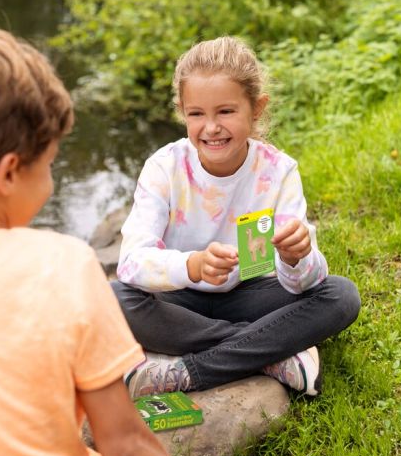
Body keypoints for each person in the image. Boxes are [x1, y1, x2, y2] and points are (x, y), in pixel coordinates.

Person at [0, 28, 186, 456]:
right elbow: (126, 445)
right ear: (10, 171)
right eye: (49, 163)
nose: (50, 181)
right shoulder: (60, 265)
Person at [113, 36, 361, 399]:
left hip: (253, 293)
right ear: (183, 111)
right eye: (196, 114)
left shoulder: (278, 171)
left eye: (225, 112)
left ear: (257, 108)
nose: (211, 127)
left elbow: (304, 282)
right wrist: (192, 265)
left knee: (341, 295)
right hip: (181, 298)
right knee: (116, 298)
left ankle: (187, 373)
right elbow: (132, 263)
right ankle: (270, 352)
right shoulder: (164, 168)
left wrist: (297, 257)